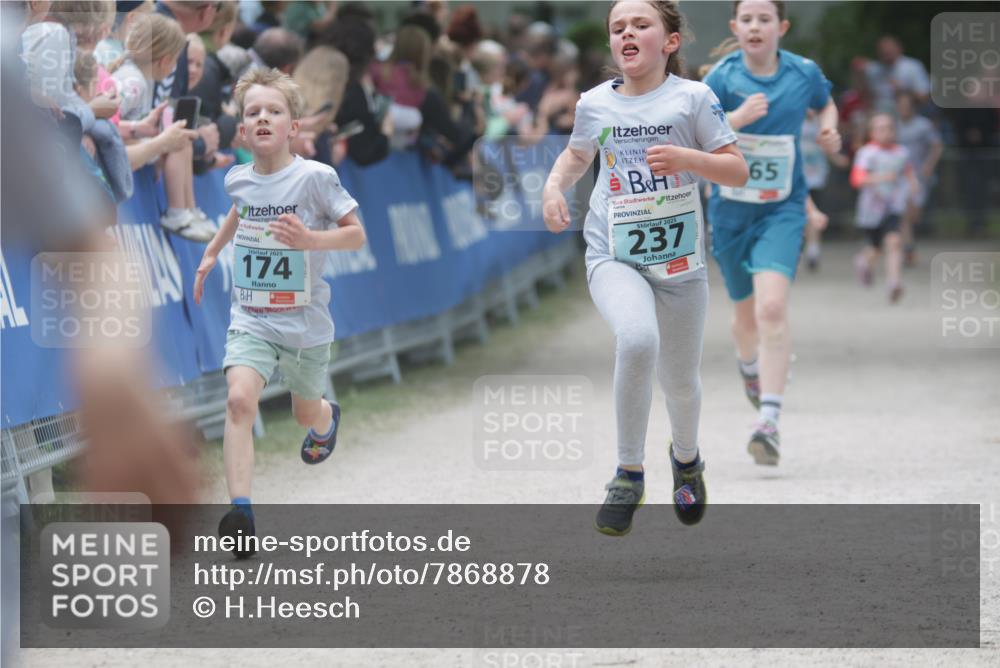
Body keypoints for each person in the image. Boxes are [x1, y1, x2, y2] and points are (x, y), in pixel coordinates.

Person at [542, 0, 748, 536]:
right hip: (615, 254)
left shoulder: (693, 98)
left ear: (670, 41)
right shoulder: (594, 104)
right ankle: (627, 474)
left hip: (680, 262)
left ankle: (686, 460)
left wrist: (688, 160)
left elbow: (736, 168)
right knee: (636, 340)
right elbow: (577, 155)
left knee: (680, 382)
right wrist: (552, 187)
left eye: (640, 24)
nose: (626, 33)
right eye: (618, 27)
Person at [192, 68, 366, 558]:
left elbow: (356, 234)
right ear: (243, 131)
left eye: (274, 111)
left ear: (293, 127)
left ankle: (326, 417)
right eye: (253, 113)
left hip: (305, 322)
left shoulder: (315, 177)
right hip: (251, 316)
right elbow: (241, 210)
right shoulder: (238, 179)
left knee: (302, 411)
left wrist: (311, 240)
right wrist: (211, 252)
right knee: (238, 401)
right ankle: (241, 511)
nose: (263, 118)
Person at [703, 0, 841, 466]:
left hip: (782, 209)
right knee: (744, 319)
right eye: (747, 19)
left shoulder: (802, 73)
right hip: (730, 213)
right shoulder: (721, 78)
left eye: (765, 19)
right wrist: (735, 120)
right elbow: (692, 133)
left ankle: (769, 420)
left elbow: (827, 105)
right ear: (735, 28)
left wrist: (828, 130)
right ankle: (749, 368)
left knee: (773, 308)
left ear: (780, 27)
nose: (756, 26)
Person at [111, 12, 215, 241]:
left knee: (181, 138)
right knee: (179, 142)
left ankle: (189, 210)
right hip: (119, 149)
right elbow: (107, 119)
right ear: (165, 60)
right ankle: (177, 213)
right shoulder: (134, 81)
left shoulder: (142, 78)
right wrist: (150, 139)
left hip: (131, 143)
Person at [850, 113, 919, 303]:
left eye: (889, 128)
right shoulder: (866, 153)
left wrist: (913, 186)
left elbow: (907, 170)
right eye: (880, 129)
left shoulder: (901, 152)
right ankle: (864, 261)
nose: (886, 132)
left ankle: (894, 283)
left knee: (894, 242)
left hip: (892, 206)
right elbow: (857, 179)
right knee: (875, 248)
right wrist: (880, 178)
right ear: (872, 133)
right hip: (871, 210)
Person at [894, 90, 942, 266]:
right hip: (900, 178)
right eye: (900, 105)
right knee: (904, 214)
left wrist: (929, 165)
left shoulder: (924, 125)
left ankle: (908, 245)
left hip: (921, 178)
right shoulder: (893, 125)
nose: (903, 108)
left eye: (907, 105)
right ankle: (908, 249)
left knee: (913, 216)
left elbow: (937, 146)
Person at [865, 35, 930, 112]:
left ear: (899, 49)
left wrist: (903, 89)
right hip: (880, 115)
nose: (887, 56)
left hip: (910, 114)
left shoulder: (913, 67)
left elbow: (924, 98)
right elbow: (867, 98)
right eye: (883, 53)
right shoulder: (872, 69)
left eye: (889, 52)